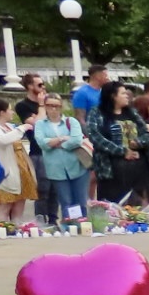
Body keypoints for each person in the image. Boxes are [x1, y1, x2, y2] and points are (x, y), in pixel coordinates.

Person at [86, 81, 149, 205]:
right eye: (123, 93)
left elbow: (147, 135)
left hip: (137, 169)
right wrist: (122, 151)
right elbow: (94, 137)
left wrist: (138, 143)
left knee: (137, 207)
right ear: (113, 96)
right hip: (110, 170)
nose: (127, 95)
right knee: (113, 207)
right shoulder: (96, 113)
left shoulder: (132, 113)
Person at [0, 98, 36, 223]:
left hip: (20, 167)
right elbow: (2, 140)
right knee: (5, 205)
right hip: (6, 171)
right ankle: (2, 231)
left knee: (20, 202)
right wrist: (22, 128)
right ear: (2, 112)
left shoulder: (9, 126)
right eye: (9, 109)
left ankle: (18, 229)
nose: (12, 112)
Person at [33, 93, 89, 226]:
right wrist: (62, 138)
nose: (53, 109)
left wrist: (57, 145)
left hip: (77, 165)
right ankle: (70, 226)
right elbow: (41, 143)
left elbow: (76, 140)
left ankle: (82, 225)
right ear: (45, 106)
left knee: (80, 200)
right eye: (50, 106)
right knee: (66, 201)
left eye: (56, 106)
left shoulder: (71, 121)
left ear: (61, 107)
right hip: (56, 169)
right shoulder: (40, 124)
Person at [13, 73, 56, 221]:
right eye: (39, 85)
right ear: (30, 86)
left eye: (43, 84)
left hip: (54, 150)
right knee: (43, 189)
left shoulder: (49, 103)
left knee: (55, 188)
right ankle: (41, 219)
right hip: (38, 151)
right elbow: (39, 123)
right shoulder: (23, 106)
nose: (43, 87)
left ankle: (53, 218)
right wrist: (42, 105)